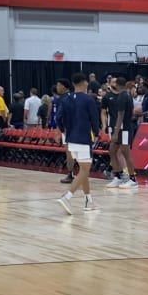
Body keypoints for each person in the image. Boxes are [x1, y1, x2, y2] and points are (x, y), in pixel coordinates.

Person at [56, 73, 100, 215]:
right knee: (85, 170)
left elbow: (59, 118)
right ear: (84, 83)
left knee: (83, 169)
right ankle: (67, 197)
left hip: (71, 139)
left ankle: (88, 200)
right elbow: (94, 119)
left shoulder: (66, 99)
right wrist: (97, 133)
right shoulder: (88, 100)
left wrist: (64, 131)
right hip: (83, 138)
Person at [104, 78, 138, 189]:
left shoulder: (123, 97)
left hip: (124, 129)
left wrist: (115, 132)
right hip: (123, 128)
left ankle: (132, 179)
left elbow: (120, 116)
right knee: (112, 150)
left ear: (118, 85)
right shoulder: (126, 96)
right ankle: (117, 177)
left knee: (125, 152)